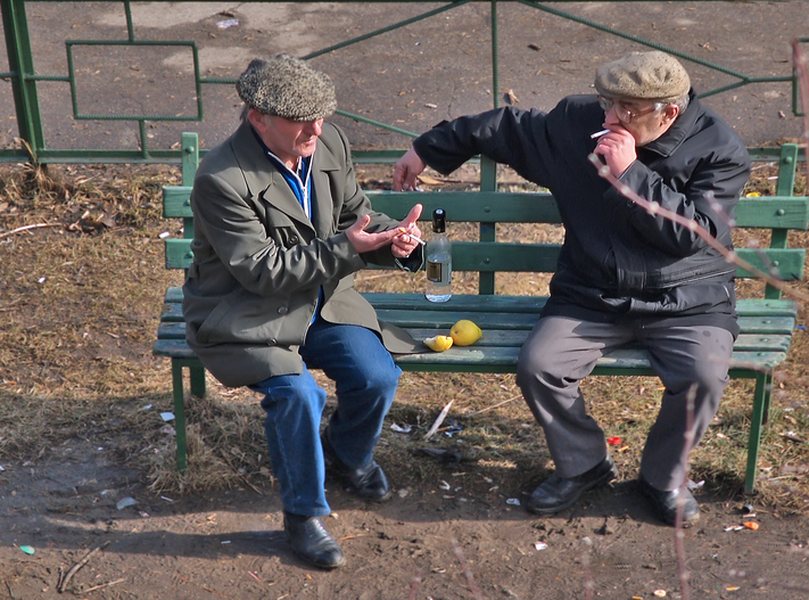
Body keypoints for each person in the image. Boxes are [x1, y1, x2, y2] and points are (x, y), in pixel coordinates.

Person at [394, 50, 750, 526]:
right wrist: (428, 149)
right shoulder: (578, 123)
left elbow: (694, 234)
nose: (609, 118)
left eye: (627, 110)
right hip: (592, 294)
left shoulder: (720, 149)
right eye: (608, 102)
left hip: (686, 300)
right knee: (539, 366)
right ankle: (584, 465)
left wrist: (630, 173)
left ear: (670, 112)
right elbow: (505, 127)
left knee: (702, 378)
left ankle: (663, 478)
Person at [183, 54, 424, 569]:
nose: (316, 128)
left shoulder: (327, 143)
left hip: (321, 304)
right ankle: (302, 515)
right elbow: (262, 270)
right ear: (258, 119)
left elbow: (354, 215)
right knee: (297, 394)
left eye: (322, 115)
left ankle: (348, 455)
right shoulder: (222, 178)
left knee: (377, 375)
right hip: (249, 317)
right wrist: (351, 249)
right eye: (301, 118)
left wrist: (392, 238)